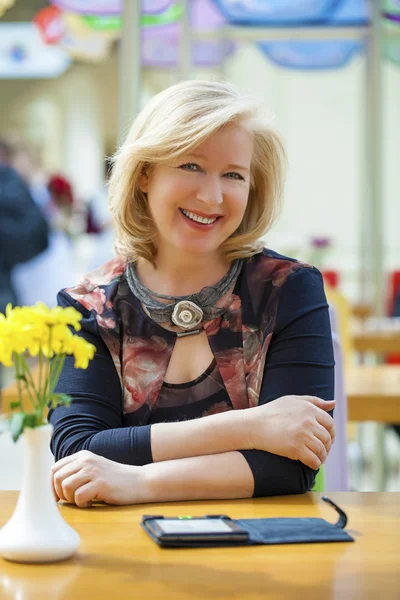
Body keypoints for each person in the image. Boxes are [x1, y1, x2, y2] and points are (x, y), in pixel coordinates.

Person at [49, 80, 336, 509]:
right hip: (119, 559)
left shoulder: (290, 287)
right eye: (191, 166)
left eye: (234, 175)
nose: (212, 196)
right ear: (144, 173)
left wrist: (137, 482)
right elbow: (77, 452)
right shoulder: (89, 307)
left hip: (265, 557)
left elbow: (294, 465)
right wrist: (254, 428)